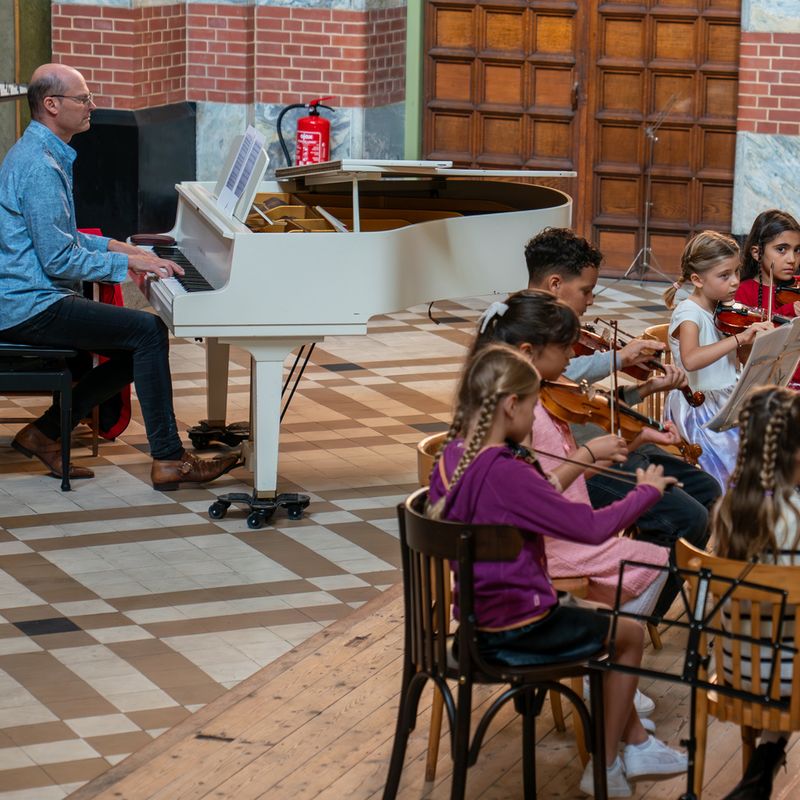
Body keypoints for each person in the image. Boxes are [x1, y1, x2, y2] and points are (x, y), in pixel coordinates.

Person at [427, 343, 687, 797]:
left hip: (471, 624)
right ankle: (604, 766)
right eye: (531, 407)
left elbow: (531, 498)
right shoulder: (506, 472)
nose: (535, 419)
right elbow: (590, 529)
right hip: (517, 629)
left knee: (592, 611)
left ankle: (634, 744)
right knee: (627, 633)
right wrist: (644, 492)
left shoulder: (454, 458)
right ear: (510, 406)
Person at [0, 63, 239, 490]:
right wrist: (131, 265)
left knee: (139, 341)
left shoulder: (45, 153)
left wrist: (120, 248)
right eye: (83, 99)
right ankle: (169, 459)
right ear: (51, 105)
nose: (93, 106)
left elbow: (63, 235)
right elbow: (57, 259)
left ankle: (45, 432)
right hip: (28, 304)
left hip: (31, 295)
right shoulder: (38, 165)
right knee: (146, 332)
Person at [525, 227, 721, 618]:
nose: (590, 300)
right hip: (573, 467)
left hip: (605, 446)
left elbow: (583, 404)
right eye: (586, 290)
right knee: (687, 518)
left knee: (707, 489)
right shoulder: (520, 330)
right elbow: (553, 382)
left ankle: (637, 611)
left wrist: (643, 392)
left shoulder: (558, 332)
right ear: (555, 283)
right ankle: (622, 618)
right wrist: (619, 357)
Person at [712, 386, 800, 799]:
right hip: (789, 679)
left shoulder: (727, 509)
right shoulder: (793, 517)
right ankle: (767, 754)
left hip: (738, 671)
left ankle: (765, 755)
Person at [663, 231, 773, 490]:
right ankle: (733, 512)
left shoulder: (723, 309)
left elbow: (737, 361)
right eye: (724, 276)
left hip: (727, 399)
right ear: (697, 280)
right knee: (740, 469)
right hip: (700, 407)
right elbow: (691, 359)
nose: (735, 282)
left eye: (736, 272)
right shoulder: (689, 313)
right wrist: (738, 339)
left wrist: (754, 344)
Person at [735, 209, 800, 388]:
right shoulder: (743, 292)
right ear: (757, 253)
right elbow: (747, 354)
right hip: (769, 387)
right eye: (781, 249)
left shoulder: (798, 286)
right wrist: (788, 311)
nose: (792, 259)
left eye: (797, 250)